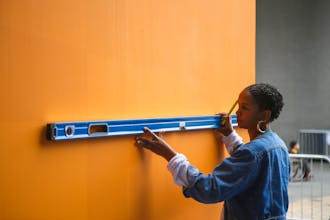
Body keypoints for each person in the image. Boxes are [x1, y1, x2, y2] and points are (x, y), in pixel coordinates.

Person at [135, 83, 290, 220]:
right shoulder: (279, 146)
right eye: (238, 105)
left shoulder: (253, 153)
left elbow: (210, 189)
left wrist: (169, 154)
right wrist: (230, 136)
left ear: (264, 115)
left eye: (245, 108)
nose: (237, 112)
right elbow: (250, 169)